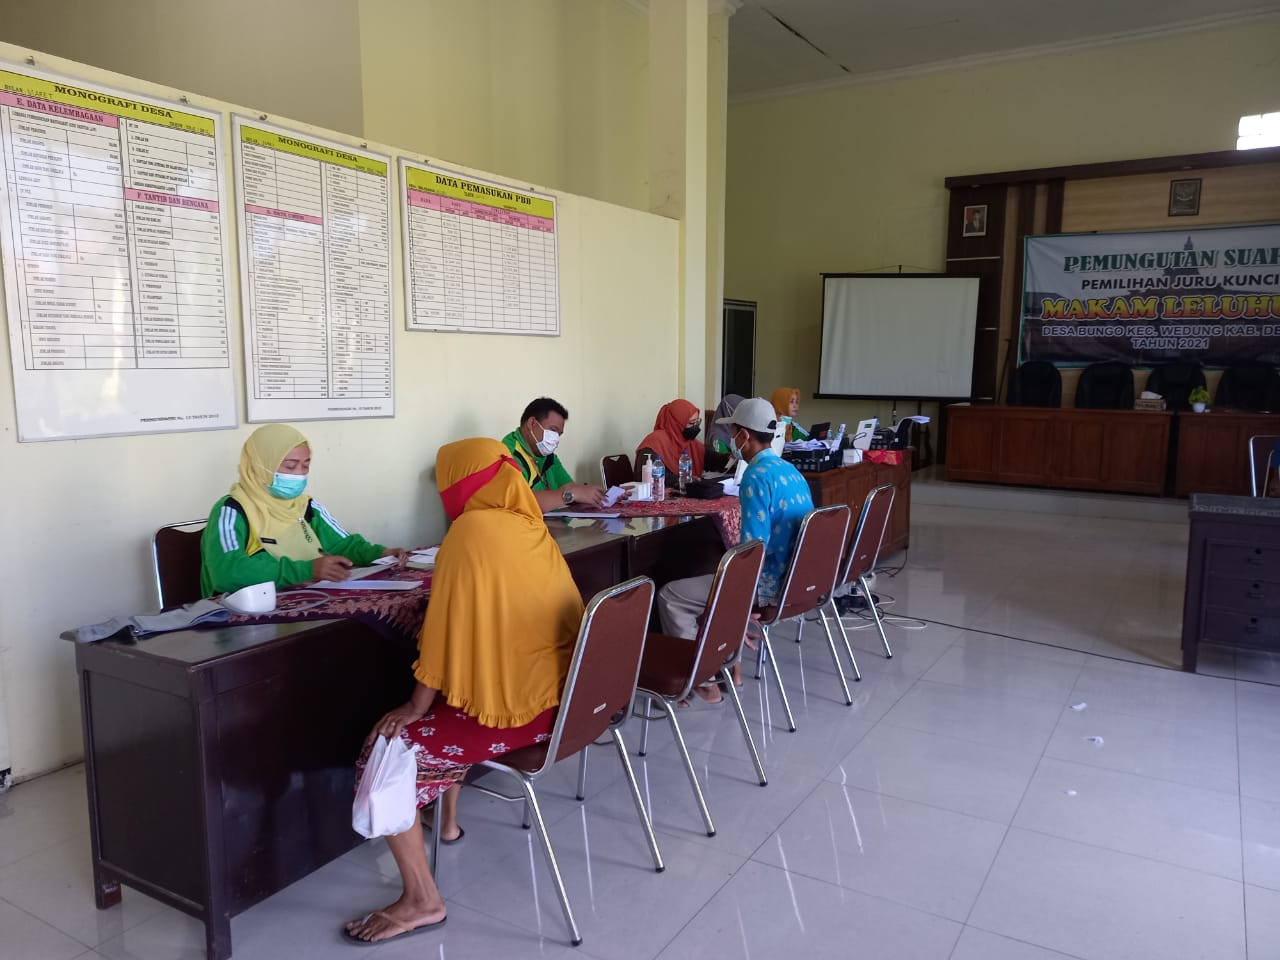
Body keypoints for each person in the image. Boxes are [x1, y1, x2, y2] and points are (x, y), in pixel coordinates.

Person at [343, 438, 584, 945]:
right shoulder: (528, 523)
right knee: (461, 692)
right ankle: (447, 824)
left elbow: (441, 637)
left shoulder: (470, 532)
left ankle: (421, 900)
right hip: (567, 699)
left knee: (385, 748)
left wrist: (414, 705)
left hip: (523, 714)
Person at [656, 398, 814, 701]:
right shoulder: (790, 470)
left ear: (745, 435)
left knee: (671, 596)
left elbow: (751, 551)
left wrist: (736, 606)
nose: (731, 439)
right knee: (713, 573)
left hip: (768, 584)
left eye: (734, 432)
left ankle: (703, 680)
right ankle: (725, 668)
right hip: (795, 579)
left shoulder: (756, 475)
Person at [200, 424, 406, 596]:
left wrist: (379, 553)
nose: (299, 474)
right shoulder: (232, 510)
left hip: (307, 596)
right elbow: (227, 572)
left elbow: (343, 545)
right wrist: (307, 570)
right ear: (260, 465)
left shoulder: (306, 506)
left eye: (305, 465)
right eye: (290, 466)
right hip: (249, 612)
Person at [502, 397, 607, 510]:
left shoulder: (547, 456)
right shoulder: (508, 455)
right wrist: (571, 495)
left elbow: (569, 486)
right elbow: (519, 500)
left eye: (559, 434)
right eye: (553, 430)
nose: (556, 439)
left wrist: (600, 495)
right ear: (532, 423)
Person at [635, 398, 706, 482]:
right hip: (659, 489)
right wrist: (681, 480)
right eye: (692, 422)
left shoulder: (690, 442)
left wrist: (721, 460)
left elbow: (709, 456)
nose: (696, 426)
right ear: (677, 423)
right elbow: (644, 475)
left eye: (698, 421)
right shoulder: (655, 442)